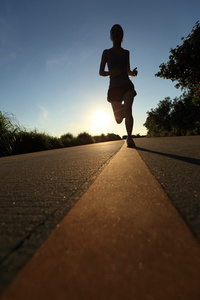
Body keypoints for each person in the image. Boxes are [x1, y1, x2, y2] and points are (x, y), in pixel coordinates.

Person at [99, 24, 138, 147]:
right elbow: (101, 72)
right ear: (110, 37)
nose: (116, 34)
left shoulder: (126, 53)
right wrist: (111, 72)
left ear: (122, 36)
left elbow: (128, 71)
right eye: (113, 32)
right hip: (114, 88)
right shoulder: (106, 53)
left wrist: (133, 73)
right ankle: (122, 110)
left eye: (119, 31)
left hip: (127, 85)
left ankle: (130, 138)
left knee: (128, 109)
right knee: (118, 120)